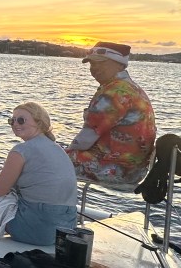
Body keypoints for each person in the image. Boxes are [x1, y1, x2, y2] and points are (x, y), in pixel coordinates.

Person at [0, 102, 77, 244]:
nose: (15, 124)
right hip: (64, 231)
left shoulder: (21, 150)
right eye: (12, 120)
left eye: (21, 120)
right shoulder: (58, 149)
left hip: (36, 231)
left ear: (39, 122)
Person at [65, 41, 156, 185]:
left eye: (100, 63)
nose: (94, 68)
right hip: (135, 169)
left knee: (43, 158)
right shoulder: (131, 88)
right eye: (92, 64)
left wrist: (63, 154)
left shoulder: (114, 92)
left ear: (119, 64)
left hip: (114, 169)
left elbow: (85, 139)